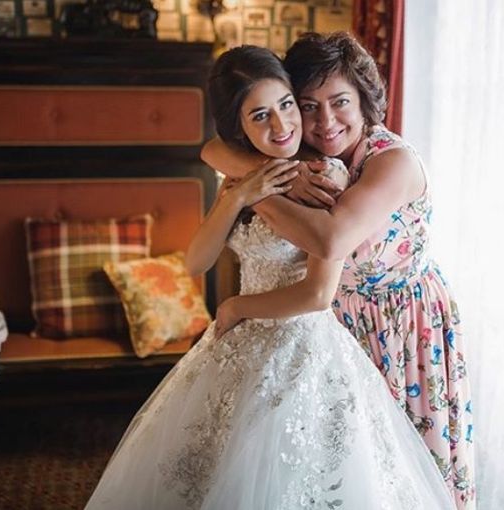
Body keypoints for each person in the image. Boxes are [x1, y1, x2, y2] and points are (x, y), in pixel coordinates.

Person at [85, 45, 454, 510]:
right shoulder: (251, 170)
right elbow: (195, 260)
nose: (285, 124)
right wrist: (239, 194)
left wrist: (235, 303)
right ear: (239, 126)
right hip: (244, 345)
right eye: (265, 114)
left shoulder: (326, 172)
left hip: (309, 338)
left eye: (288, 106)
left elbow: (320, 287)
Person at [202, 32, 476, 509]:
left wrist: (256, 190)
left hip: (403, 328)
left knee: (406, 477)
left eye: (340, 102)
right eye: (309, 106)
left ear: (365, 99)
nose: (326, 121)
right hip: (335, 330)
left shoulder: (392, 162)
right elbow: (212, 149)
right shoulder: (308, 159)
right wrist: (272, 175)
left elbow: (330, 240)